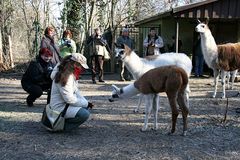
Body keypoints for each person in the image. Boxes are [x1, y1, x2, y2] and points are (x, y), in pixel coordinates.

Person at [49, 53, 92, 131]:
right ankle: (60, 126)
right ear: (75, 64)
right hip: (59, 107)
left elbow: (76, 91)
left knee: (85, 107)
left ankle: (63, 122)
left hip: (64, 105)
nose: (81, 69)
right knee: (84, 114)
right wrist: (85, 103)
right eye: (81, 66)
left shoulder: (69, 73)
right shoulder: (66, 76)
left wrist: (86, 102)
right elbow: (69, 99)